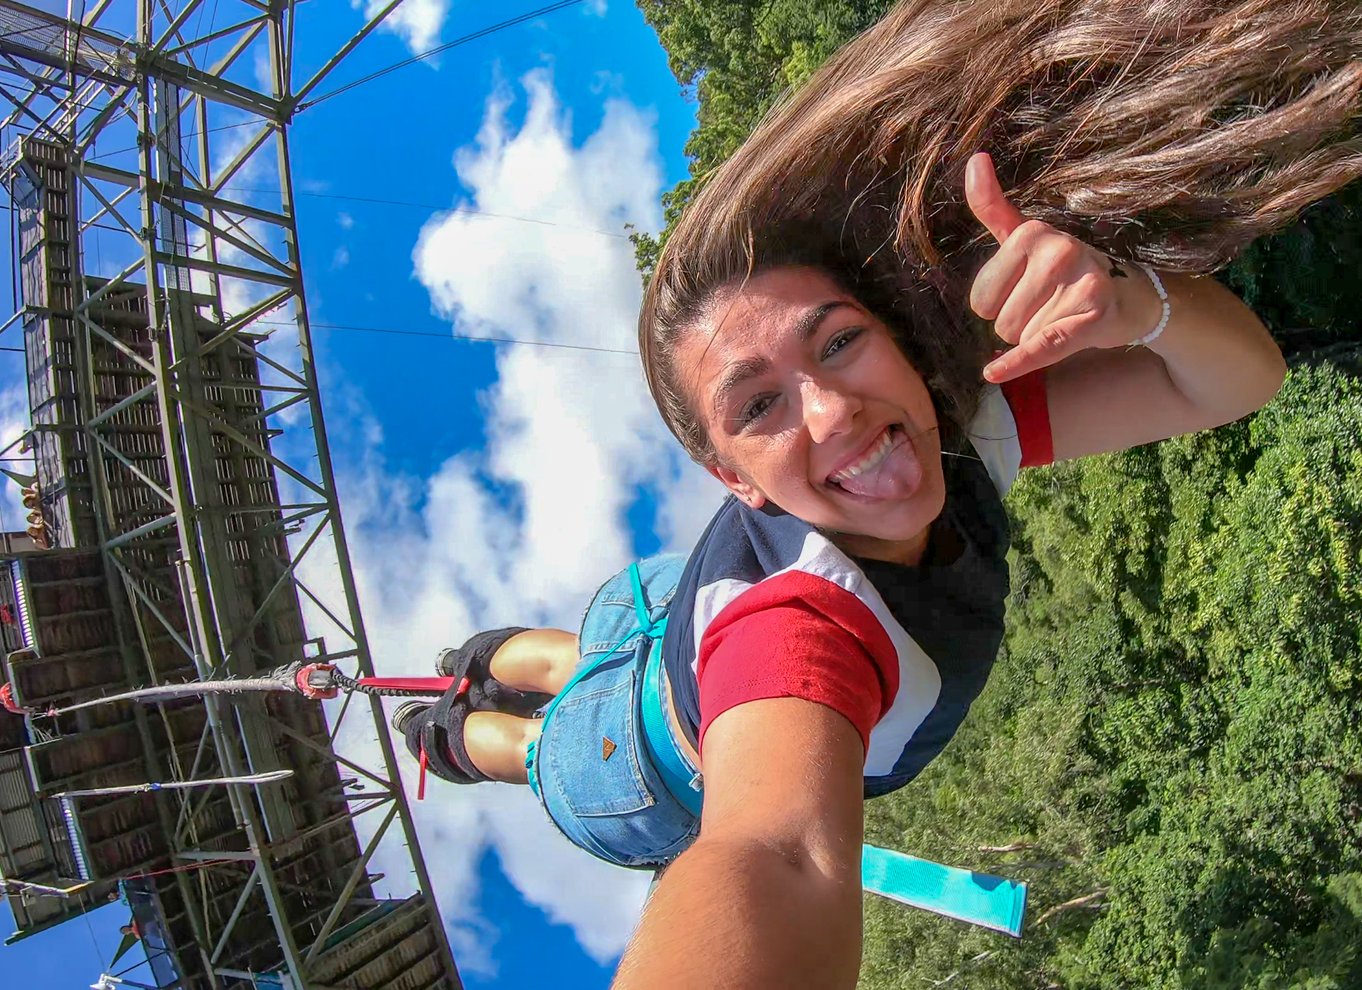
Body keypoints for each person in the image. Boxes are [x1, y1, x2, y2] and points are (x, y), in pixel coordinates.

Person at [396, 1, 1362, 985]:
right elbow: (778, 855)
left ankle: (475, 690)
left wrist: (1127, 299)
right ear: (733, 479)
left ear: (896, 339)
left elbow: (1240, 378)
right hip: (636, 752)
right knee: (545, 737)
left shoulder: (955, 429)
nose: (831, 411)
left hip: (665, 614)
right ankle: (464, 727)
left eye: (839, 340)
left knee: (578, 678)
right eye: (760, 404)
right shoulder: (801, 635)